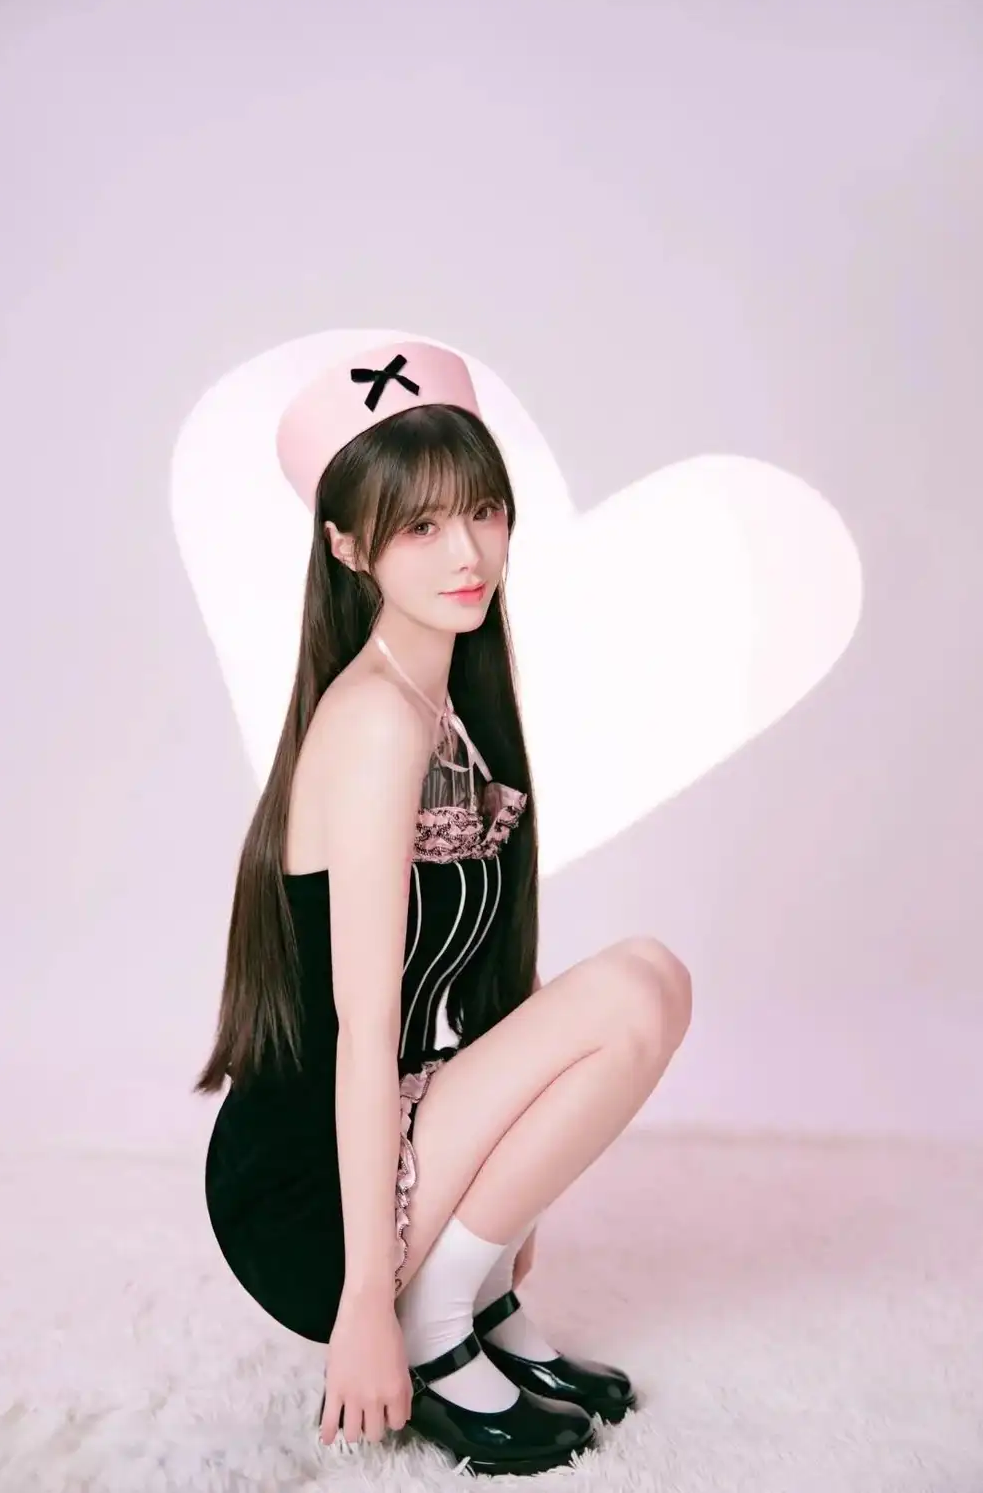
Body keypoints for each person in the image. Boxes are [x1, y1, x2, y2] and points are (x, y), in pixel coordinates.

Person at [195, 340, 693, 1477]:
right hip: (306, 1186)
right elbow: (366, 1032)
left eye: (482, 510)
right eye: (420, 526)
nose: (467, 552)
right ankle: (430, 1322)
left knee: (652, 979)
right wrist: (366, 1301)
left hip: (400, 1111)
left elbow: (489, 999)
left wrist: (512, 1223)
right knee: (630, 989)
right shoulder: (376, 721)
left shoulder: (449, 702)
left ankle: (475, 1299)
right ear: (347, 545)